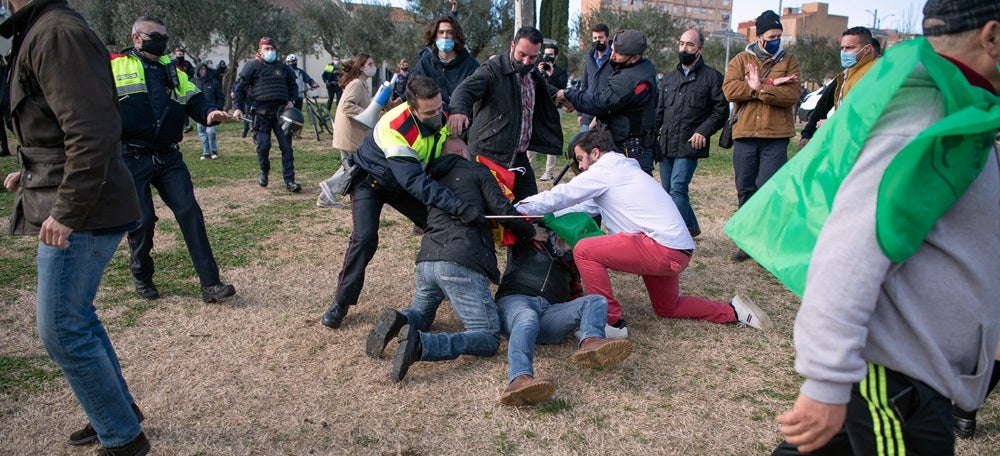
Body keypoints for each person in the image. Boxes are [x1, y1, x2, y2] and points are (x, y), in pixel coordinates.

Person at [724, 1, 1000, 453]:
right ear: (992, 37)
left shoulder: (960, 106)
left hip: (908, 373)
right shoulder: (927, 114)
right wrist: (826, 380)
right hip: (897, 377)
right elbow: (851, 247)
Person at [1, 1, 148, 454]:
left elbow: (92, 130)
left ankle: (122, 439)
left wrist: (67, 210)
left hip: (86, 207)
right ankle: (119, 413)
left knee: (62, 328)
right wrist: (30, 172)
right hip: (77, 197)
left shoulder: (57, 34)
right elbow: (54, 126)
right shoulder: (44, 29)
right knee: (75, 317)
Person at [515, 130, 772, 336]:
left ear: (595, 153)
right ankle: (733, 311)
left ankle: (610, 322)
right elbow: (580, 206)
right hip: (676, 250)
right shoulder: (622, 171)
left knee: (585, 250)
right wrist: (544, 214)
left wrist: (516, 208)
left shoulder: (604, 170)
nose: (581, 167)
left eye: (581, 159)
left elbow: (561, 195)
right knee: (668, 307)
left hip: (661, 248)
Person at [365, 138, 545, 382]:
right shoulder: (476, 169)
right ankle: (422, 346)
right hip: (461, 261)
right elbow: (502, 210)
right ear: (461, 151)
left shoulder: (429, 178)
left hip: (427, 260)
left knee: (421, 315)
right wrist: (531, 231)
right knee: (488, 336)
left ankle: (400, 320)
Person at [320, 76, 483, 329]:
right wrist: (457, 206)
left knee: (439, 225)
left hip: (403, 181)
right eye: (429, 112)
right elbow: (415, 183)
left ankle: (446, 282)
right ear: (412, 108)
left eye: (439, 108)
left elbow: (447, 135)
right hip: (371, 182)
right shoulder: (396, 127)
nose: (437, 115)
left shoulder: (440, 110)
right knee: (364, 239)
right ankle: (341, 301)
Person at [112, 16, 237, 304]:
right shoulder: (115, 67)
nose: (161, 42)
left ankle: (211, 284)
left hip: (168, 157)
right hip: (131, 156)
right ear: (135, 38)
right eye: (154, 36)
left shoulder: (174, 72)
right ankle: (142, 274)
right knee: (142, 220)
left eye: (164, 38)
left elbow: (195, 101)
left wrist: (210, 112)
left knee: (190, 213)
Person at [495, 217, 634, 406]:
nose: (578, 248)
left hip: (547, 317)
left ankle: (591, 341)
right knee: (527, 317)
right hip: (514, 302)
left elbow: (576, 299)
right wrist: (530, 229)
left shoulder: (572, 266)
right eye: (576, 241)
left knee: (596, 300)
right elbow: (508, 216)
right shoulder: (529, 239)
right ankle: (518, 379)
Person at [448, 26, 563, 201]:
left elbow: (537, 88)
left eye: (532, 57)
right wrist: (458, 110)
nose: (526, 61)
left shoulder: (531, 72)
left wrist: (559, 94)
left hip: (518, 156)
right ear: (512, 45)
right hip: (488, 156)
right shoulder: (492, 70)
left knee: (530, 207)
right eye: (522, 54)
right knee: (492, 209)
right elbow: (465, 90)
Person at [722, 10, 801, 262]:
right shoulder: (740, 60)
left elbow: (792, 95)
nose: (777, 41)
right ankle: (745, 241)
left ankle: (765, 243)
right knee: (745, 188)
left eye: (779, 36)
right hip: (745, 134)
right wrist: (764, 85)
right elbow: (730, 90)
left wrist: (760, 89)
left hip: (775, 137)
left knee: (768, 189)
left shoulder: (790, 61)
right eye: (772, 37)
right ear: (759, 37)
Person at [655, 29, 729, 238]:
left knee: (678, 187)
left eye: (690, 45)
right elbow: (659, 111)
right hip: (667, 143)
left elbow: (721, 111)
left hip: (690, 143)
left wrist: (703, 132)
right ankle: (691, 225)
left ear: (700, 49)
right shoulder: (669, 78)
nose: (684, 49)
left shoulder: (712, 77)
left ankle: (676, 236)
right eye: (681, 44)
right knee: (668, 189)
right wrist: (652, 137)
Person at [556, 29, 659, 175]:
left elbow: (600, 103)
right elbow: (615, 105)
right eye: (612, 50)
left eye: (618, 53)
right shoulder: (642, 67)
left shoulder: (631, 78)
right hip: (627, 144)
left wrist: (568, 94)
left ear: (635, 57)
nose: (612, 56)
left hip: (631, 150)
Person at [232, 37, 302, 193]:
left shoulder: (283, 68)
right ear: (260, 51)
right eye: (266, 49)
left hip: (281, 114)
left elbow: (293, 86)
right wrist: (237, 108)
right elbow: (240, 88)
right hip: (260, 115)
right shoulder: (252, 67)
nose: (270, 51)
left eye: (272, 49)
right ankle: (264, 171)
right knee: (263, 146)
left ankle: (290, 181)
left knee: (287, 148)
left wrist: (291, 100)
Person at [799, 27, 879, 149]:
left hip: (867, 145)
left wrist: (833, 123)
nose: (844, 52)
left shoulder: (875, 73)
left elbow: (868, 113)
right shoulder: (845, 75)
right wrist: (807, 134)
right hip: (846, 142)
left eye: (850, 48)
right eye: (842, 48)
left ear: (867, 49)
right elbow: (822, 105)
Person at [317, 53, 377, 208]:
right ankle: (329, 186)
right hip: (350, 133)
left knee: (350, 166)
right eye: (370, 64)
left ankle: (324, 197)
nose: (374, 67)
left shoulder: (361, 83)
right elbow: (347, 106)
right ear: (361, 67)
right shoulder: (357, 84)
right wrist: (367, 114)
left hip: (352, 132)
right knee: (356, 167)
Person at [409, 13, 479, 104]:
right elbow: (413, 91)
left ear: (456, 36)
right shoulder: (424, 64)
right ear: (434, 36)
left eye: (449, 32)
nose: (445, 36)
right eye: (441, 32)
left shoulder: (470, 66)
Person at [529, 43, 568, 182]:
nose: (547, 57)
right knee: (531, 136)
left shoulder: (561, 72)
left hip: (555, 108)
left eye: (550, 54)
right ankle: (530, 168)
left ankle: (549, 172)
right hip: (537, 108)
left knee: (552, 138)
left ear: (556, 56)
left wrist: (551, 74)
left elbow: (561, 89)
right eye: (545, 54)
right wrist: (540, 73)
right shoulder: (537, 69)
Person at [577, 23, 612, 133]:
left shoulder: (614, 59)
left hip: (606, 118)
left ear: (607, 38)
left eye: (600, 37)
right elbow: (584, 84)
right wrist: (580, 113)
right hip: (587, 115)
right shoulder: (589, 57)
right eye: (595, 38)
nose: (597, 40)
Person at [193, 62, 225, 160]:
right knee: (202, 132)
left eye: (204, 69)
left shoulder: (213, 82)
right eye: (201, 69)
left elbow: (220, 97)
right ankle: (206, 152)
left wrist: (218, 108)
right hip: (199, 112)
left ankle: (214, 150)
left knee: (211, 132)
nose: (203, 71)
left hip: (212, 111)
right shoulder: (193, 82)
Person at [173, 47, 195, 133]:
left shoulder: (187, 64)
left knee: (184, 106)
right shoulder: (172, 63)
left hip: (185, 88)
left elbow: (191, 75)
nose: (180, 55)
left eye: (181, 54)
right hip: (175, 88)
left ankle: (186, 125)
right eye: (178, 54)